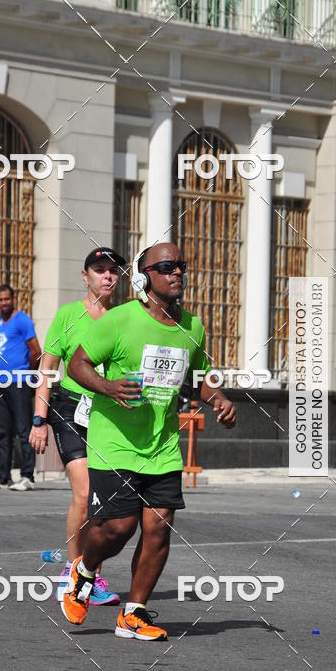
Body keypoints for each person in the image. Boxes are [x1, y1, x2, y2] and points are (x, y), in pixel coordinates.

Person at [61, 243, 236, 641]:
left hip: (163, 446)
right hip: (115, 442)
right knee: (119, 528)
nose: (177, 273)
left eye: (181, 266)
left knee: (159, 526)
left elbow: (199, 377)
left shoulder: (192, 327)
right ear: (144, 278)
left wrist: (220, 399)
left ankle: (133, 613)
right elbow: (77, 365)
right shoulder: (119, 321)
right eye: (167, 266)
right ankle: (84, 571)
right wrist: (107, 387)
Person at [29, 247, 126, 607]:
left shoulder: (123, 318)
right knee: (84, 493)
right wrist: (39, 420)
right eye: (99, 270)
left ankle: (88, 570)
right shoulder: (68, 315)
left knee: (106, 500)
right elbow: (47, 368)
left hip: (107, 411)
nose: (107, 276)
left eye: (113, 271)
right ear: (84, 276)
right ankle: (72, 571)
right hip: (69, 408)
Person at [0, 285, 42, 491]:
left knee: (23, 431)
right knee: (3, 432)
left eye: (7, 299)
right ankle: (1, 476)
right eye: (0, 300)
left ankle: (27, 477)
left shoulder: (22, 320)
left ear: (13, 299)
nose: (4, 303)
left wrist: (27, 374)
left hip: (18, 382)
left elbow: (36, 352)